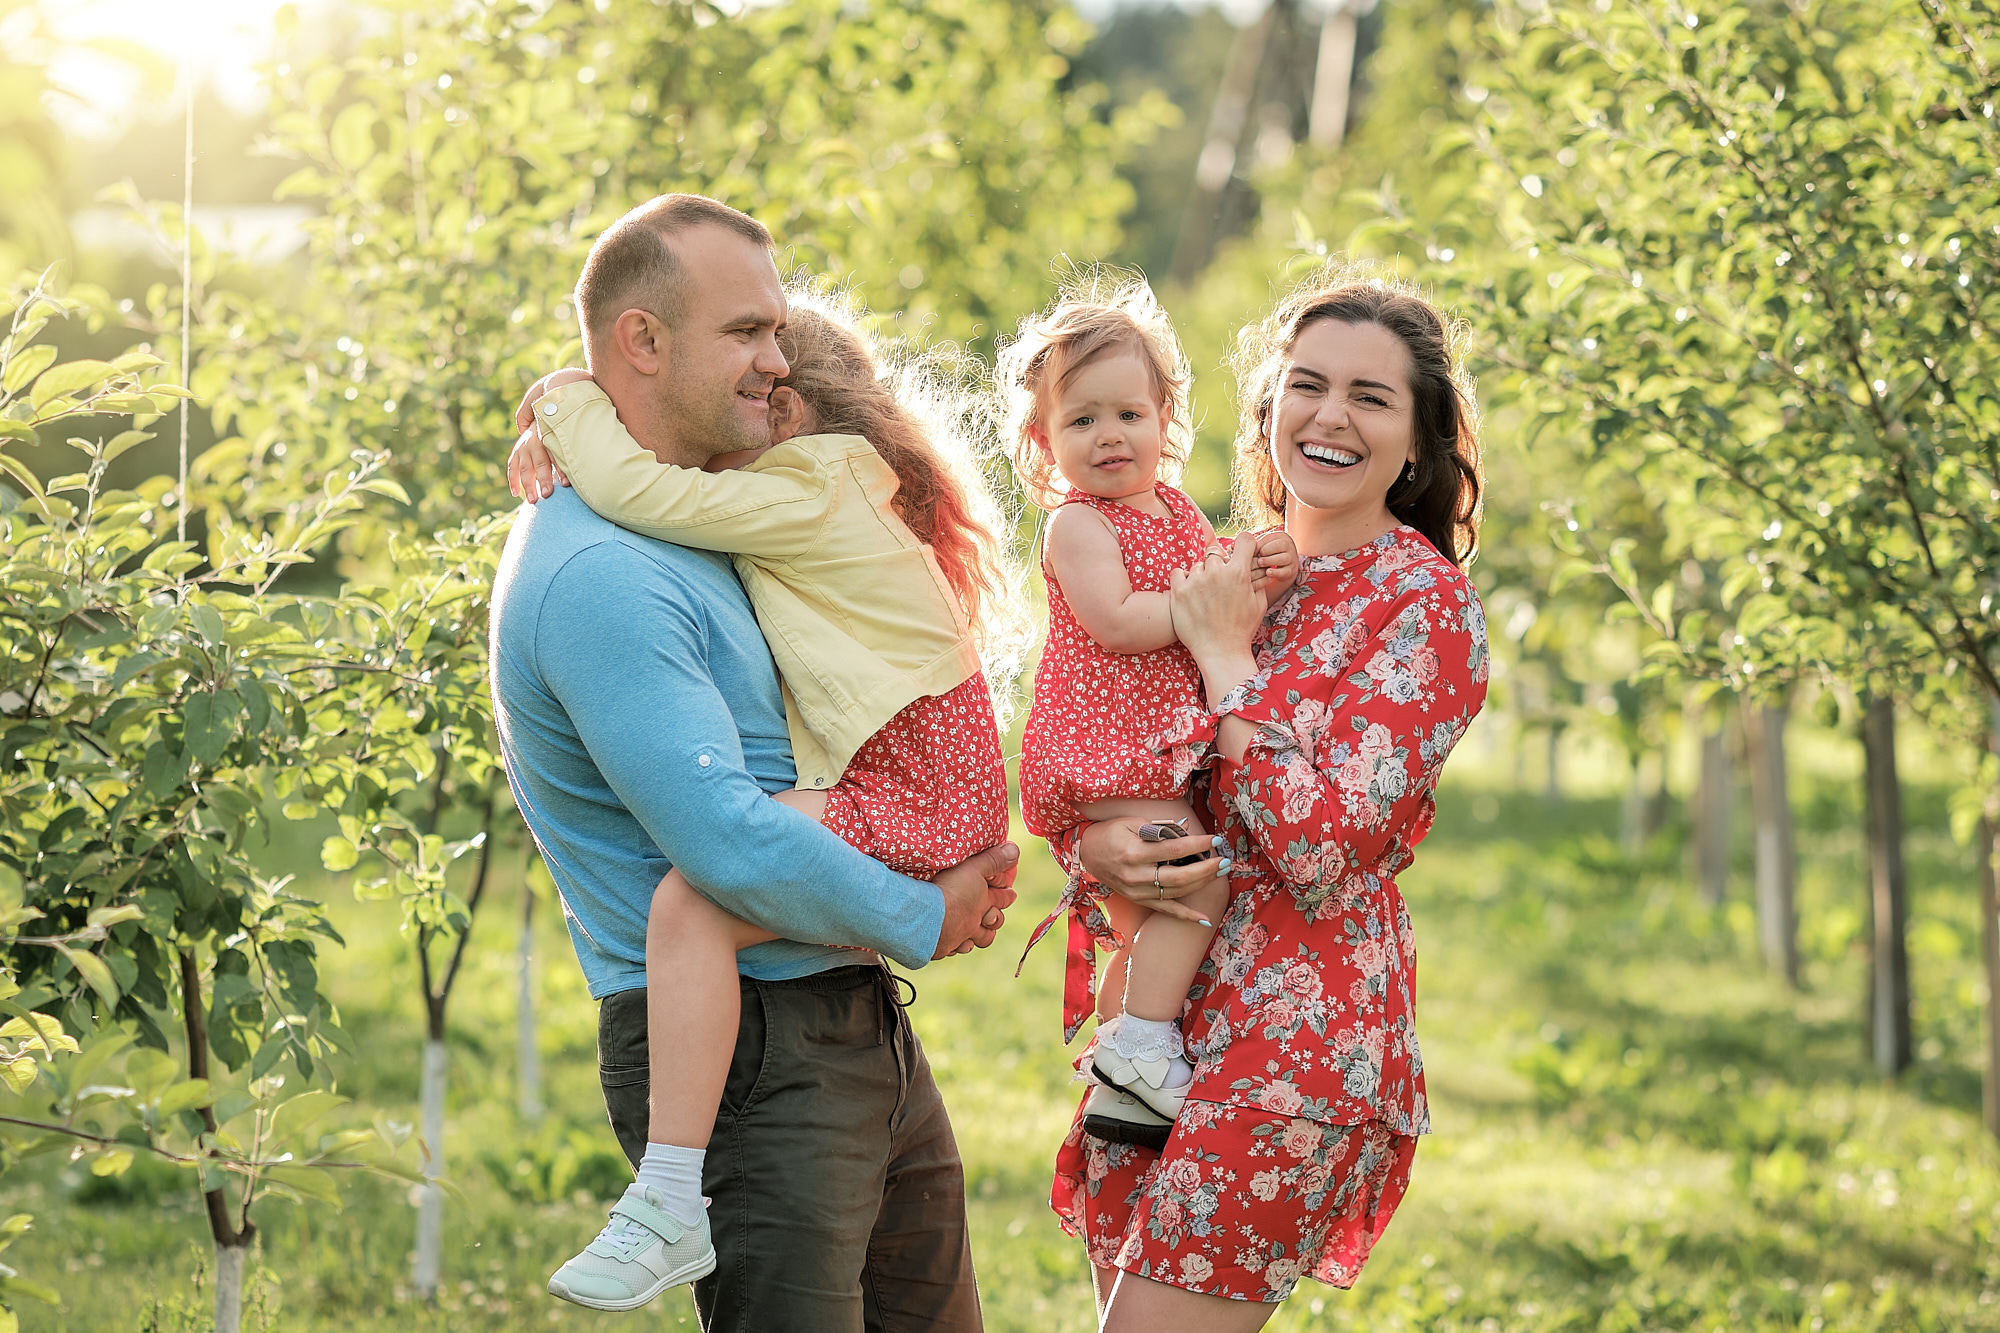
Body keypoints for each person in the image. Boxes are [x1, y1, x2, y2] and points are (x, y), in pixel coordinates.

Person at [488, 194, 1016, 1332]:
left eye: (777, 333)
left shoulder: (725, 510)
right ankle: (664, 1202)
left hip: (846, 1013)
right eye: (745, 334)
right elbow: (722, 843)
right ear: (641, 342)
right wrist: (926, 912)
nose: (776, 361)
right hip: (748, 1063)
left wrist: (569, 405)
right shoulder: (602, 575)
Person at [1048, 264, 1490, 1330]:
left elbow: (1323, 846)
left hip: (1295, 1044)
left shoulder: (1421, 606)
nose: (1329, 416)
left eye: (1369, 397)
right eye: (1306, 384)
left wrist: (1223, 659)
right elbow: (1119, 757)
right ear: (1266, 409)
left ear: (1418, 444)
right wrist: (1096, 856)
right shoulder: (1222, 573)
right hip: (1158, 1030)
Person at [999, 281, 1297, 1143]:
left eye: (1128, 413)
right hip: (1106, 749)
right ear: (1043, 441)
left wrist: (1253, 565)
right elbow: (1122, 621)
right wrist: (1210, 602)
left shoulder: (1176, 512)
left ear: (1167, 417)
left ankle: (1122, 1071)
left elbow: (1218, 591)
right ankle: (1138, 1041)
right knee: (1197, 877)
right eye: (1080, 420)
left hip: (1150, 747)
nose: (1108, 436)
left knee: (1153, 906)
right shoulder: (1077, 527)